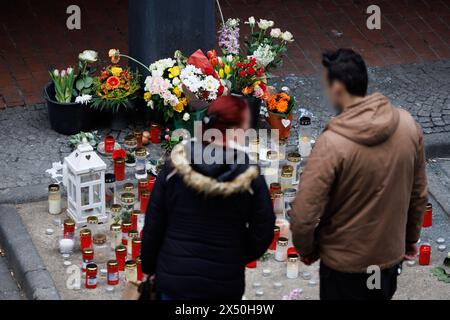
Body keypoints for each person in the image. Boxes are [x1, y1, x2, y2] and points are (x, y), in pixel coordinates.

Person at [289, 48, 428, 300]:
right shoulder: (408, 126)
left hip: (344, 266)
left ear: (338, 88)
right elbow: (418, 195)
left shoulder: (331, 144)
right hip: (387, 260)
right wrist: (408, 239)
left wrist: (306, 249)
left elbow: (304, 214)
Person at [141, 96, 275, 300]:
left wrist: (150, 266)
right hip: (224, 284)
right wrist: (236, 255)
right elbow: (264, 229)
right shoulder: (250, 176)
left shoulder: (174, 167)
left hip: (174, 280)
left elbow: (153, 224)